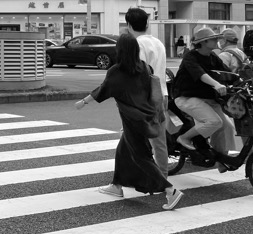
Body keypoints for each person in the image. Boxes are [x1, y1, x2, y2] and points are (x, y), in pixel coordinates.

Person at [76, 33, 183, 210]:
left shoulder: (117, 71)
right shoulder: (145, 68)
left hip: (132, 120)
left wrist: (83, 102)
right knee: (123, 151)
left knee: (141, 157)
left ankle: (170, 190)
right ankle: (116, 185)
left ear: (119, 50)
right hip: (146, 116)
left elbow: (103, 90)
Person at [171, 27, 238, 159]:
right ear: (203, 42)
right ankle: (184, 138)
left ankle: (220, 159)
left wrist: (241, 81)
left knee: (227, 126)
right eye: (213, 39)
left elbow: (227, 73)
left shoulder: (212, 56)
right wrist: (216, 84)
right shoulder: (190, 57)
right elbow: (200, 74)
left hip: (208, 98)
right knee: (214, 122)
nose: (216, 41)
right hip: (187, 97)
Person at [124, 7, 172, 176]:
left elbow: (139, 74)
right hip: (162, 94)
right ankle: (162, 176)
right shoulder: (158, 43)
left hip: (144, 97)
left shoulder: (136, 45)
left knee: (133, 138)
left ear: (129, 25)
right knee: (159, 141)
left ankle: (137, 174)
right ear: (147, 24)